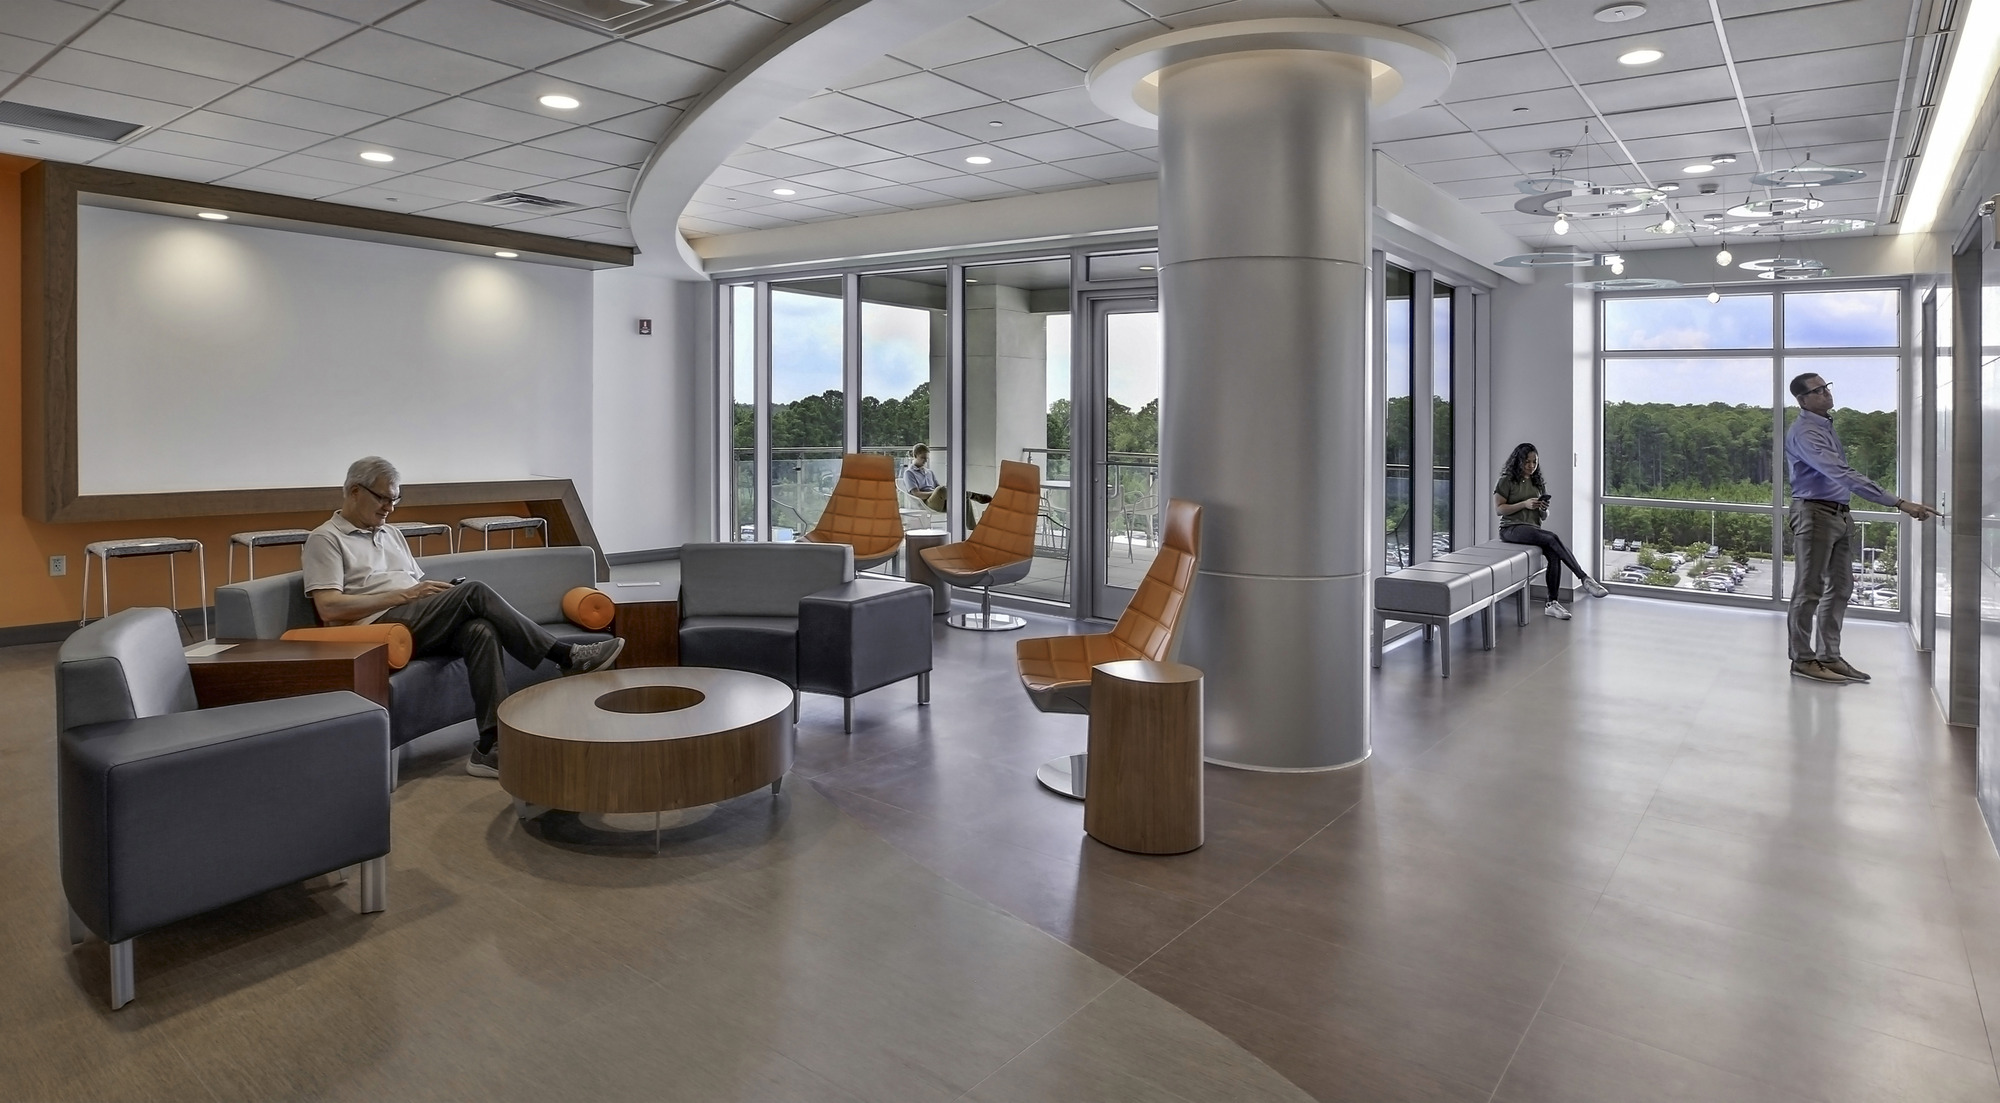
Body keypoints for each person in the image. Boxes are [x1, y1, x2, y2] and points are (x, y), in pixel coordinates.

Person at [302, 457, 624, 777]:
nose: (390, 507)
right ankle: (564, 656)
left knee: (481, 630)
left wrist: (429, 595)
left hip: (413, 623)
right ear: (355, 491)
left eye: (395, 499)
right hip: (376, 631)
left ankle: (490, 746)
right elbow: (330, 607)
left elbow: (413, 587)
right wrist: (406, 595)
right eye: (383, 498)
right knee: (475, 592)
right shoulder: (326, 538)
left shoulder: (391, 534)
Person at [1784, 373, 1934, 684]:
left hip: (1838, 513)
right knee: (1808, 591)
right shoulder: (1806, 433)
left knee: (1840, 588)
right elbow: (1840, 473)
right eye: (1818, 390)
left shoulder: (1824, 425)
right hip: (1815, 514)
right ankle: (1802, 659)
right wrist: (1898, 502)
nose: (1826, 393)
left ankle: (1829, 656)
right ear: (1803, 400)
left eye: (1827, 387)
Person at [1494, 442, 1608, 620]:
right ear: (1518, 462)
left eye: (1534, 462)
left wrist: (1542, 508)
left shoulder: (1537, 482)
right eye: (1527, 462)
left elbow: (1544, 516)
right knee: (1553, 538)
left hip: (1532, 528)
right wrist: (1524, 504)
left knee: (1554, 554)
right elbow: (1499, 509)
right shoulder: (1506, 480)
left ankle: (1551, 603)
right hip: (1511, 528)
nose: (1531, 466)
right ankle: (1584, 578)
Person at [903, 443, 990, 516]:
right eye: (923, 458)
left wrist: (943, 492)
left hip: (940, 501)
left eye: (927, 458)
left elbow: (938, 488)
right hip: (927, 503)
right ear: (915, 456)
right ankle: (973, 495)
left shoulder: (929, 472)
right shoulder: (909, 473)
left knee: (964, 499)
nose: (925, 461)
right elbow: (917, 495)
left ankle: (973, 529)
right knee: (941, 489)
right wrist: (936, 493)